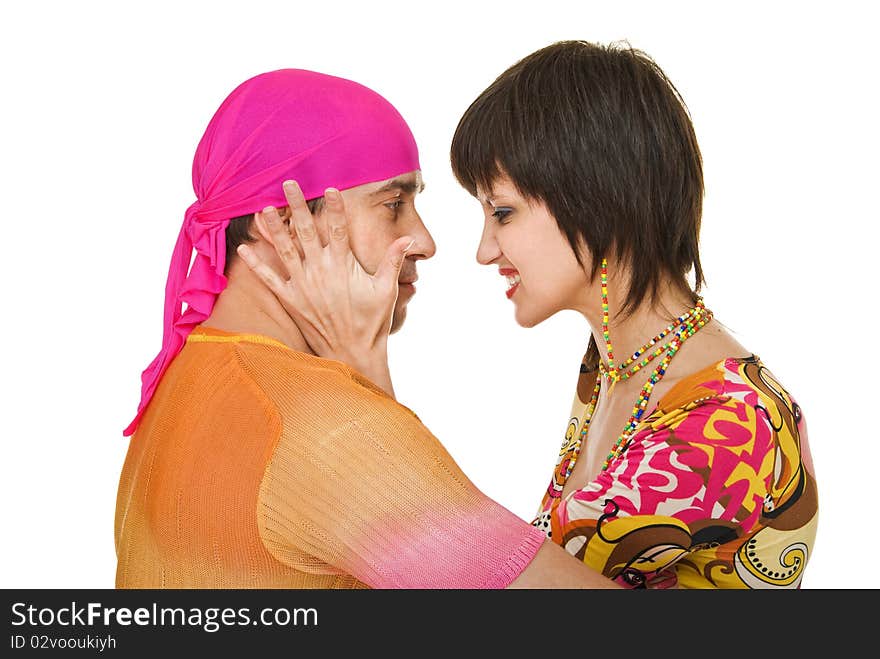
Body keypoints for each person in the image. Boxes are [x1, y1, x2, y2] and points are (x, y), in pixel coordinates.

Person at [241, 41, 819, 588]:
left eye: (504, 212)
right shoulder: (616, 363)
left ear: (597, 201)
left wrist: (361, 370)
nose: (484, 249)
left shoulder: (732, 424)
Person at [115, 67, 613, 589]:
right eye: (394, 205)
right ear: (285, 223)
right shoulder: (315, 427)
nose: (424, 240)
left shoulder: (195, 372)